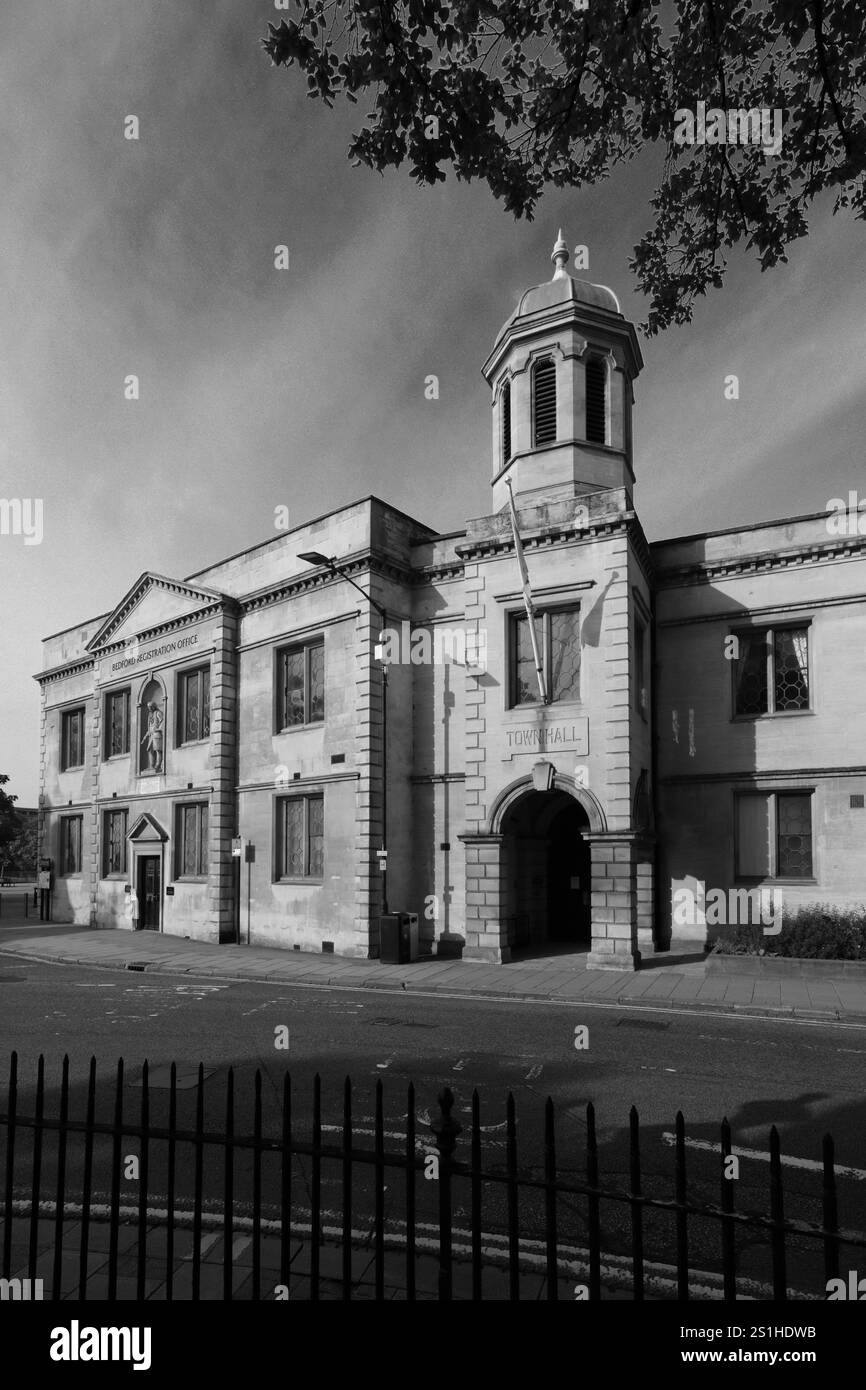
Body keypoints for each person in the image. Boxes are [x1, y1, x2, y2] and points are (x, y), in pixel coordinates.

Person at [141, 701, 164, 771]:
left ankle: (158, 765)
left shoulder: (158, 713)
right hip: (151, 735)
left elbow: (163, 721)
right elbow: (150, 726)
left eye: (151, 706)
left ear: (154, 706)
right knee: (150, 749)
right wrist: (145, 736)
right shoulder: (150, 715)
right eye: (148, 707)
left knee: (158, 750)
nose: (149, 708)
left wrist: (159, 729)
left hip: (157, 734)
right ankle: (151, 766)